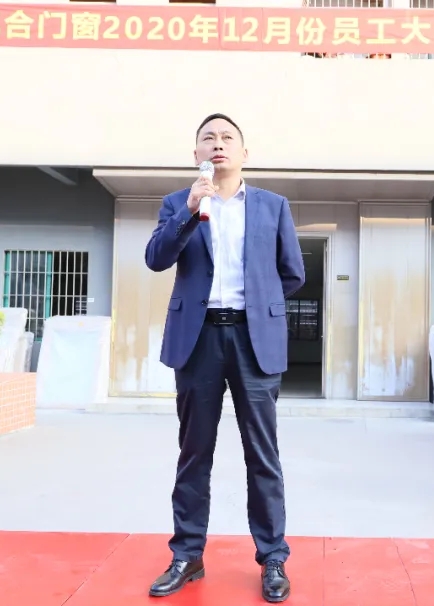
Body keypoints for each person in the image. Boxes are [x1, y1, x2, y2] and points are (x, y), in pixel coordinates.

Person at [143, 113, 305, 603]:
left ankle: (273, 557)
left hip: (254, 341)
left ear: (244, 153)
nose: (218, 144)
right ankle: (187, 555)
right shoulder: (178, 202)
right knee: (194, 453)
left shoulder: (273, 206)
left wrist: (257, 306)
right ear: (196, 153)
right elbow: (156, 258)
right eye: (208, 138)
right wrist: (190, 211)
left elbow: (292, 272)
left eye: (227, 137)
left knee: (263, 454)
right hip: (198, 340)